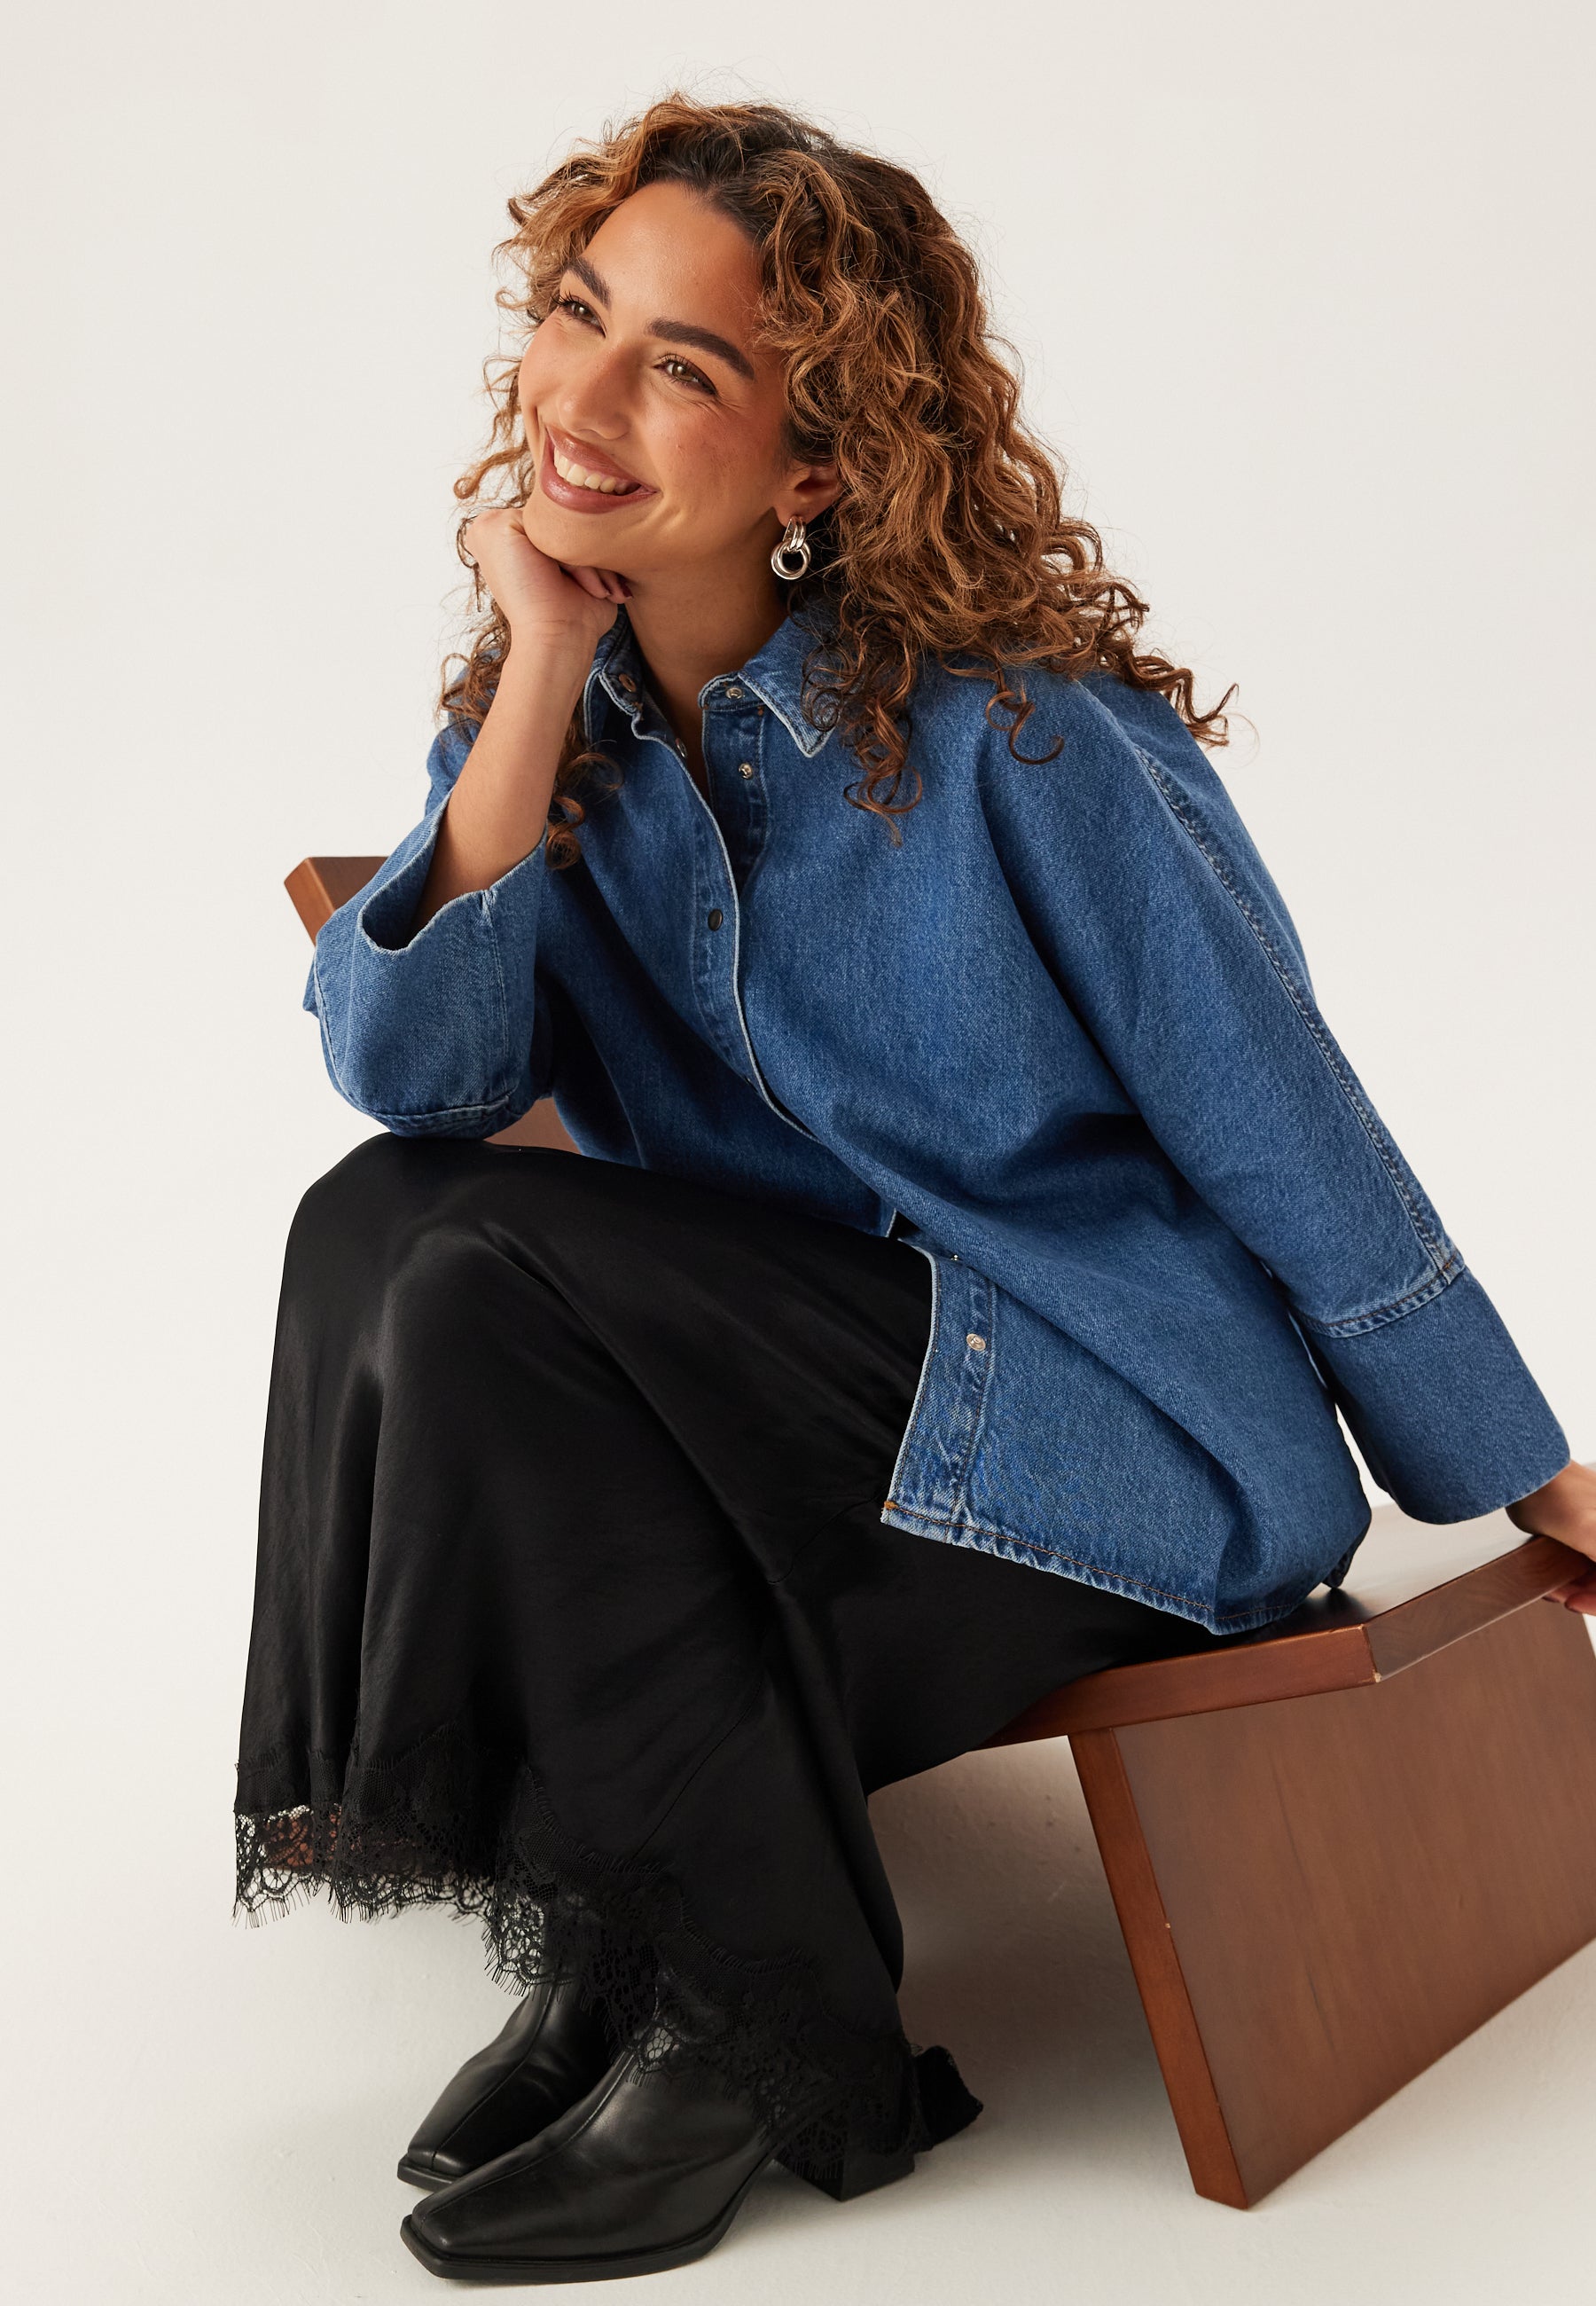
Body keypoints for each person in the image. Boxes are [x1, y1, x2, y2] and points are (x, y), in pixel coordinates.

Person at [233, 94, 1596, 2286]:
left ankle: (761, 2034)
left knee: (485, 1258)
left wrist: (1516, 1468)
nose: (586, 394)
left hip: (1117, 1428)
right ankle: (623, 1931)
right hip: (810, 1424)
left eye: (684, 365)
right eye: (579, 314)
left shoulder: (1019, 735)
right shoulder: (560, 732)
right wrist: (544, 662)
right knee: (377, 1217)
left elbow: (1281, 1110)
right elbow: (413, 1076)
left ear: (817, 468)